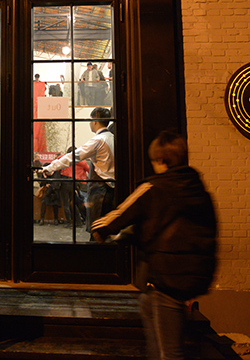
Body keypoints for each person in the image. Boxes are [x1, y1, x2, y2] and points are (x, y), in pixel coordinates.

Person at [91, 130, 217, 360]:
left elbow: (119, 215)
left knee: (167, 351)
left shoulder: (155, 188)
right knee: (159, 332)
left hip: (165, 277)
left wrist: (100, 229)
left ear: (160, 160)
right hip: (191, 277)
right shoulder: (198, 190)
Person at [41, 107, 114, 234]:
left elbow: (72, 157)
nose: (90, 123)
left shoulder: (98, 140)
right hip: (111, 189)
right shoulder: (112, 138)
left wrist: (49, 167)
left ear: (95, 121)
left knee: (97, 231)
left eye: (91, 120)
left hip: (100, 190)